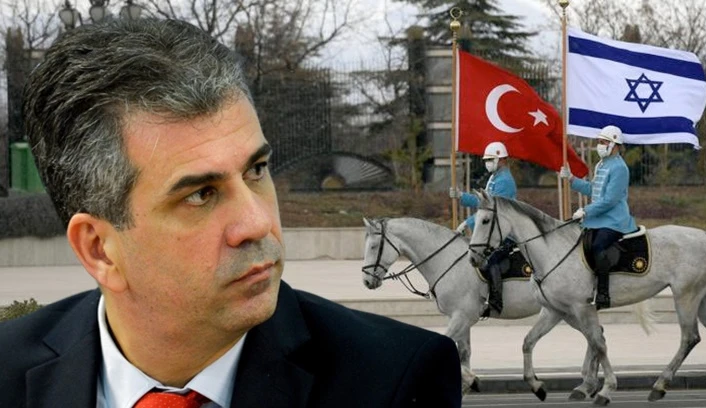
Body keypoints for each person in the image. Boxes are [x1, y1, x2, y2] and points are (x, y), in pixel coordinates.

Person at [0, 19, 462, 407]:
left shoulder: (394, 380)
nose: (257, 224)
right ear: (100, 249)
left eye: (256, 170)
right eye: (201, 194)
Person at [559, 125, 636, 310]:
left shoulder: (620, 168)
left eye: (603, 142)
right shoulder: (602, 164)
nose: (599, 145)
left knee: (598, 245)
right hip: (598, 219)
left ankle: (603, 293)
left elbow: (610, 200)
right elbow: (594, 190)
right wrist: (571, 179)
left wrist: (586, 211)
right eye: (599, 141)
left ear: (614, 145)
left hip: (614, 220)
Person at [450, 141, 517, 316]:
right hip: (494, 231)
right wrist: (461, 197)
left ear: (501, 159)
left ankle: (495, 302)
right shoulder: (495, 177)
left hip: (505, 233)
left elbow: (491, 212)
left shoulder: (505, 181)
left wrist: (468, 223)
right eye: (486, 160)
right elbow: (483, 203)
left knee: (491, 260)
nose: (487, 163)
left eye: (490, 159)